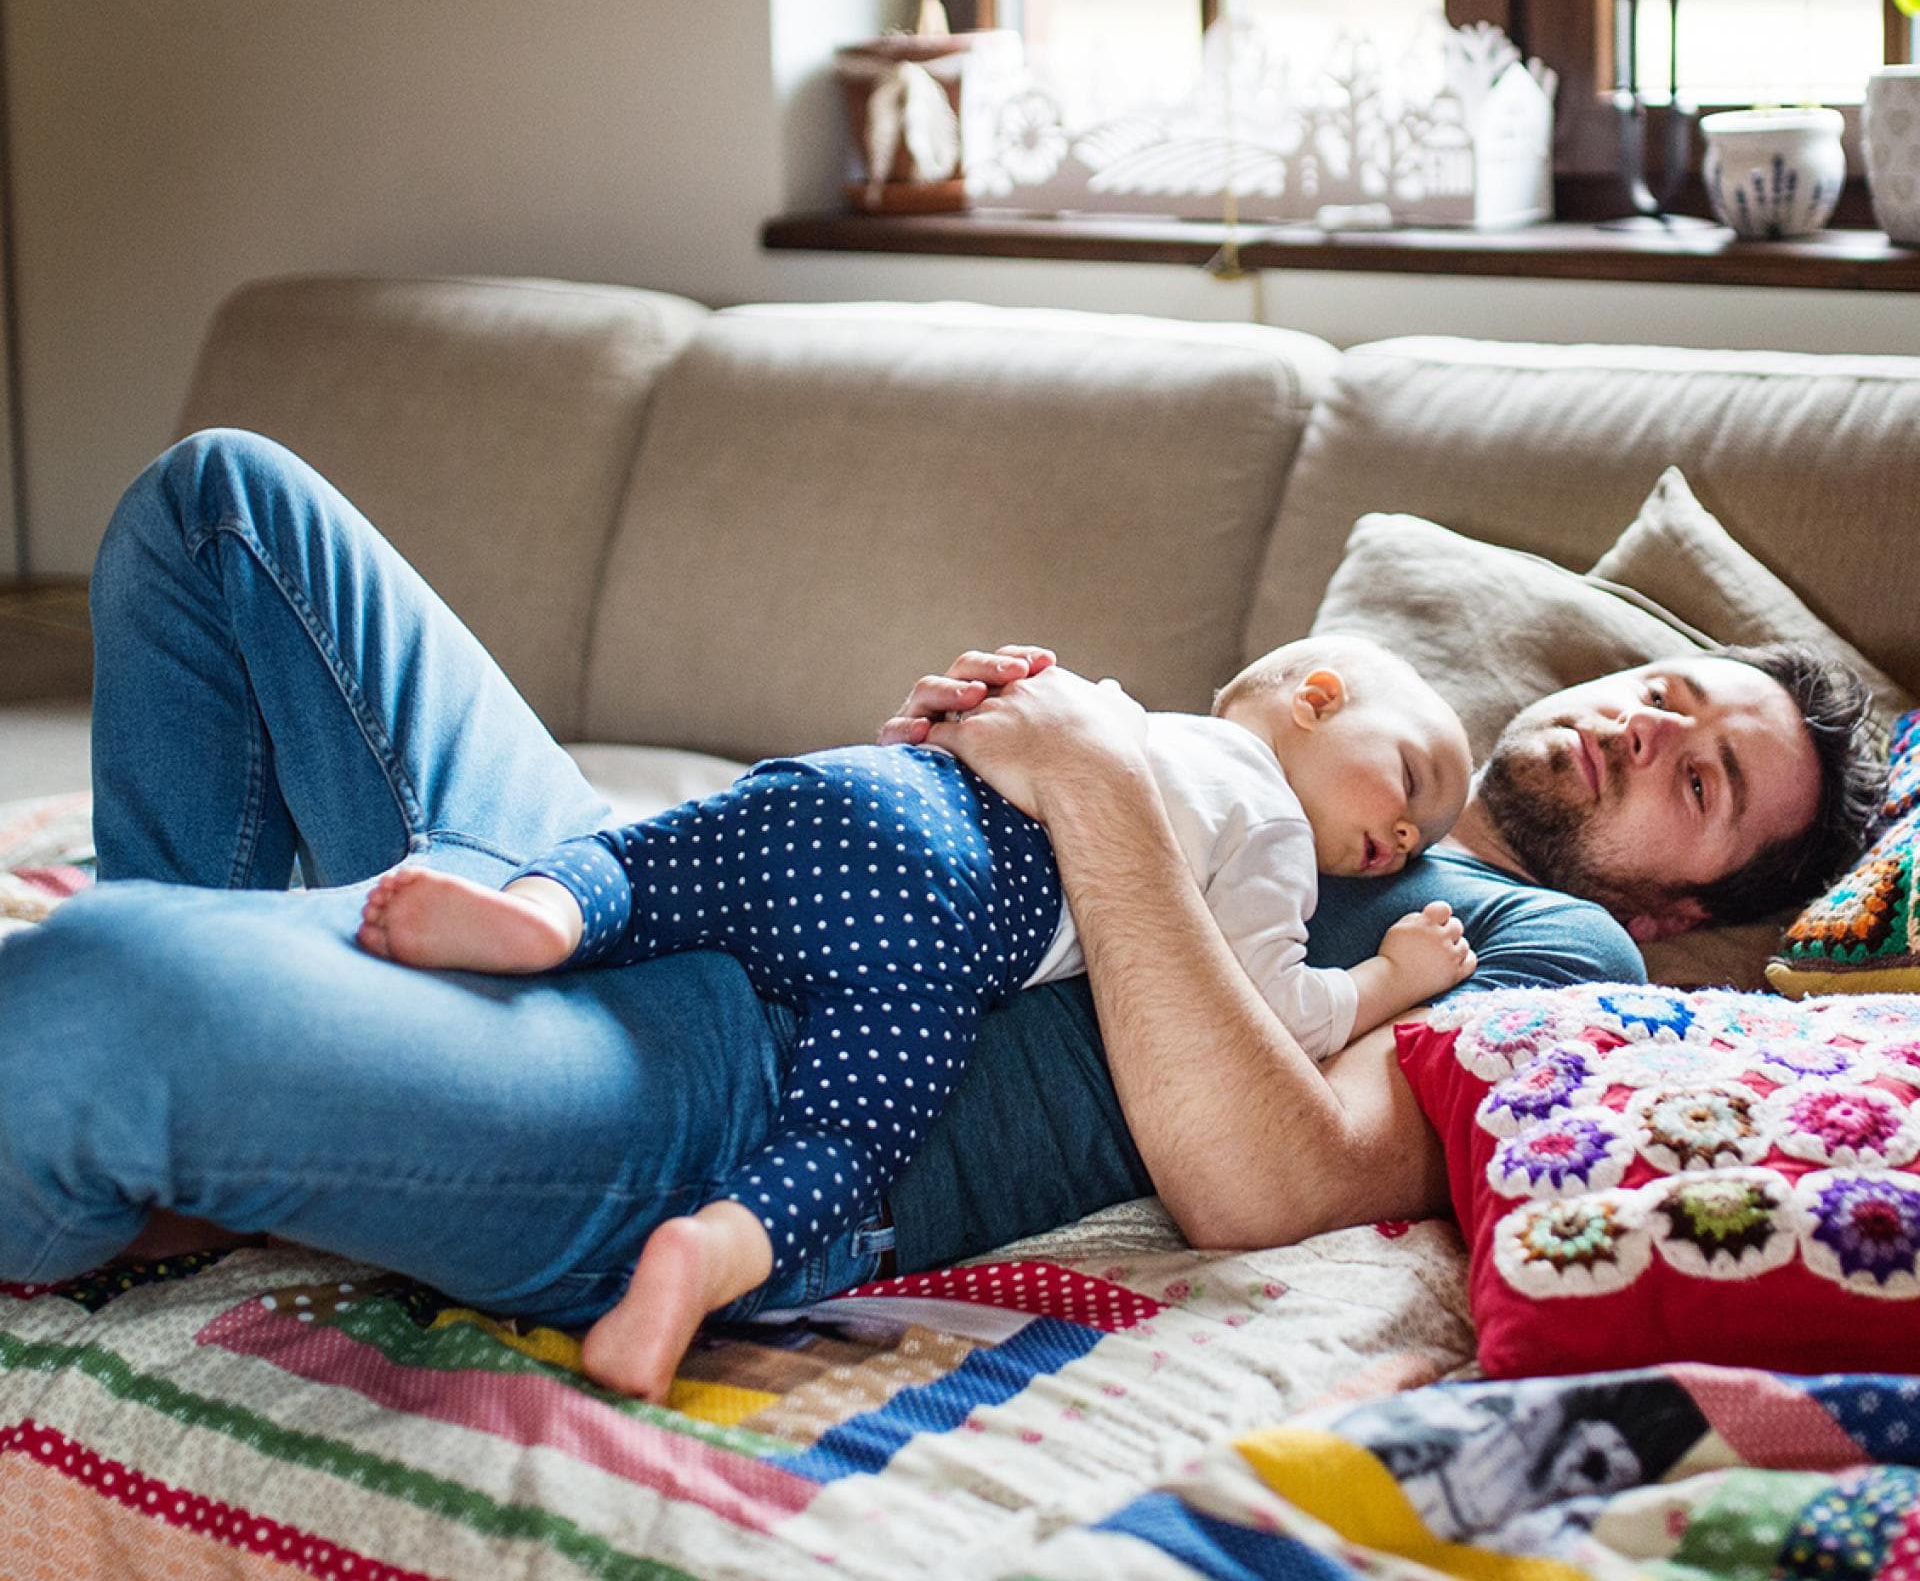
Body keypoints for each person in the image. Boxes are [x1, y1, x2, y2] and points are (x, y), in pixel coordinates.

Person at [0, 432, 1880, 1376]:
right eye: (1672, 691)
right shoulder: (1307, 750)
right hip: (644, 880)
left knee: (94, 994)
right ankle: (207, 1156)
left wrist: (1097, 783)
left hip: (723, 1110)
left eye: (1703, 781)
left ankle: (209, 1095)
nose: (1650, 730)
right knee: (220, 501)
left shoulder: (1546, 958)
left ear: (1686, 912)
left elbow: (1268, 1182)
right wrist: (961, 751)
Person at [352, 633, 1474, 1396]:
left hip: (868, 793)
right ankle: (708, 1256)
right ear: (1316, 699)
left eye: (1424, 833)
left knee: (652, 861)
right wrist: (1390, 980)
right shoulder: (1271, 830)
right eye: (1411, 781)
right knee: (849, 1133)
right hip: (945, 921)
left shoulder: (1111, 708)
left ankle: (540, 917)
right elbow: (1278, 1010)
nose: (1407, 837)